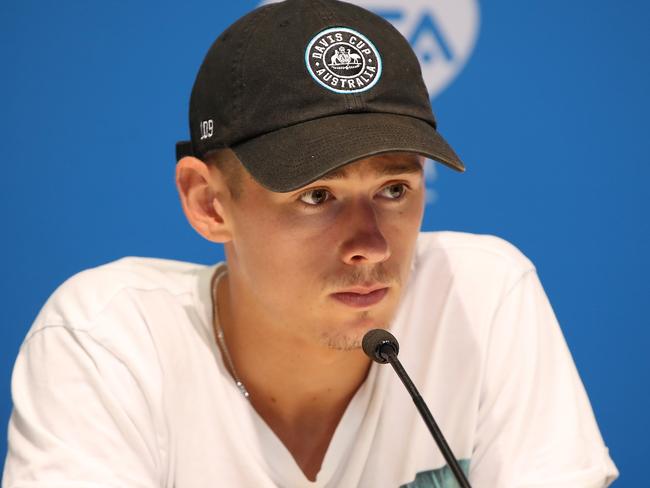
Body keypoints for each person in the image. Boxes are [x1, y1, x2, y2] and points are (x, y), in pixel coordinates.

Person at [3, 0, 619, 486]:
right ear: (208, 203)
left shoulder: (481, 297)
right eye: (316, 196)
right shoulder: (109, 339)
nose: (371, 246)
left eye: (395, 189)